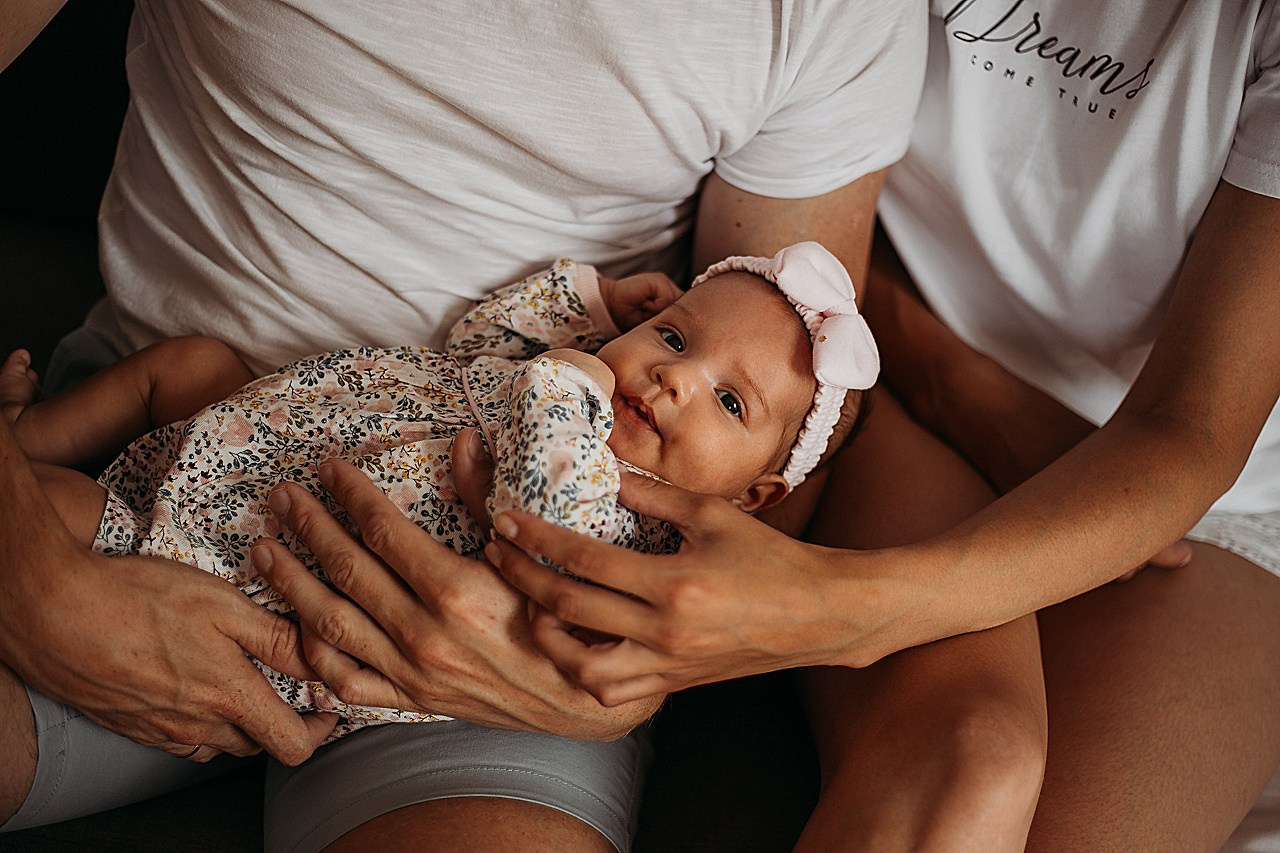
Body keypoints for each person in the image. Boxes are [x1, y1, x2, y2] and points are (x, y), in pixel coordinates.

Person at [409, 1, 1280, 848]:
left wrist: (847, 610)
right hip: (860, 386)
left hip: (1181, 490)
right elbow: (791, 244)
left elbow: (1192, 427)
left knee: (983, 772)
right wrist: (951, 383)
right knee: (972, 758)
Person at [1, 242, 877, 743]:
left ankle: (35, 481)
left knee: (63, 512)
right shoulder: (568, 374)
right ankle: (24, 431)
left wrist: (568, 381)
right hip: (262, 438)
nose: (675, 378)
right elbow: (476, 337)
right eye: (674, 336)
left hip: (236, 562)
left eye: (730, 401)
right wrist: (589, 302)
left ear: (753, 496)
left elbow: (544, 525)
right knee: (187, 363)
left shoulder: (627, 522)